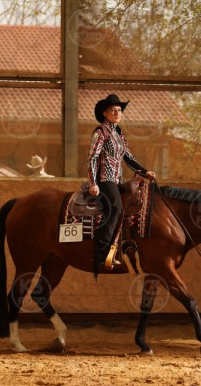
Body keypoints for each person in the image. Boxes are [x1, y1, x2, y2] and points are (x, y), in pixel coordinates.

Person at [87, 94, 156, 276]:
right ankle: (101, 254)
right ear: (105, 113)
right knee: (116, 208)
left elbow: (128, 157)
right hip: (104, 179)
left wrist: (145, 171)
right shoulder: (100, 132)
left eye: (119, 110)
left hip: (117, 180)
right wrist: (93, 183)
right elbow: (92, 158)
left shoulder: (119, 134)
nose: (117, 113)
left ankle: (122, 248)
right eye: (113, 110)